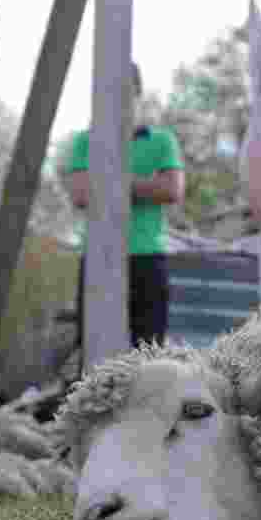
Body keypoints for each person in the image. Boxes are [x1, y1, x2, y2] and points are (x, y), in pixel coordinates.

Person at [63, 63, 186, 348]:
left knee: (148, 352)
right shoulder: (85, 140)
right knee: (93, 353)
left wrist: (108, 181)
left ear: (137, 92)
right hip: (98, 256)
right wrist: (144, 185)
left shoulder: (161, 140)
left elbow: (172, 189)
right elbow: (81, 194)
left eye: (124, 90)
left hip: (146, 257)